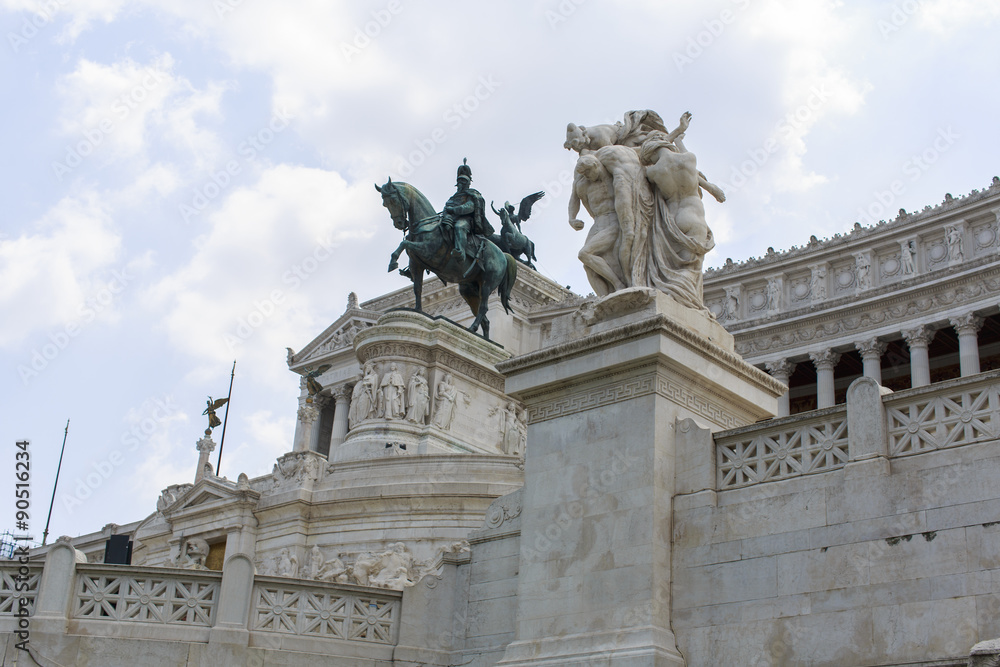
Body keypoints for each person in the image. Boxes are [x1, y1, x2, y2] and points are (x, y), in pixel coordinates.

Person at [441, 159, 493, 260]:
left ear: (466, 183)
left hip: (467, 220)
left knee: (459, 227)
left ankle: (460, 252)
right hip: (451, 217)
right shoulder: (453, 197)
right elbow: (446, 207)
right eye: (459, 182)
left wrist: (454, 210)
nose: (459, 185)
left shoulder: (472, 194)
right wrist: (446, 216)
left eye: (462, 182)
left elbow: (469, 207)